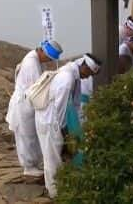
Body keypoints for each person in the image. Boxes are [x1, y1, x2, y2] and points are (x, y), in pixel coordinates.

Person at [35, 53, 102, 198]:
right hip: (50, 120)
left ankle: (54, 188)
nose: (88, 76)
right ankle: (54, 193)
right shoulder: (67, 78)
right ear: (83, 65)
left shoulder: (73, 75)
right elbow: (60, 108)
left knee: (55, 155)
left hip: (53, 119)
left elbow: (74, 104)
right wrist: (64, 130)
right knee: (52, 158)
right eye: (89, 72)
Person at [5, 40, 63, 177]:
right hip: (23, 104)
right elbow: (37, 86)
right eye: (48, 58)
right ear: (43, 52)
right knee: (26, 136)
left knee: (31, 136)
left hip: (27, 103)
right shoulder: (31, 63)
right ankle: (28, 166)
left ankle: (33, 164)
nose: (47, 61)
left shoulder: (35, 59)